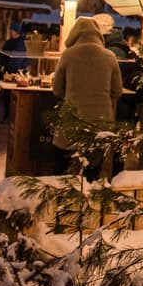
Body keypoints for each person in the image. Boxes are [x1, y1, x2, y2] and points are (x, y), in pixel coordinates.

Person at [52, 17, 122, 180]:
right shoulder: (109, 56)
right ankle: (90, 201)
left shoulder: (68, 55)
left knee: (63, 168)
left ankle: (63, 201)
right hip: (100, 122)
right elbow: (117, 91)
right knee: (93, 173)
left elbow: (57, 89)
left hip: (72, 119)